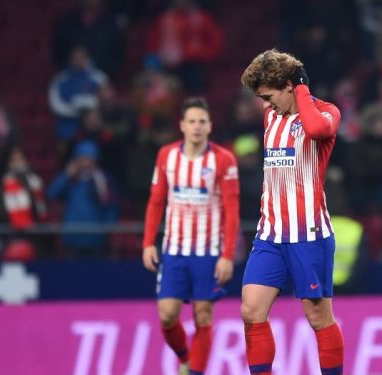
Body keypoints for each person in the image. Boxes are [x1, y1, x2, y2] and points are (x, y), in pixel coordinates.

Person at [239, 49, 344, 375]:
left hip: (308, 234)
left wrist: (301, 88)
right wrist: (283, 96)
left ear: (289, 85)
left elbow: (314, 130)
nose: (265, 105)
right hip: (270, 233)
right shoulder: (271, 116)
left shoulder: (326, 113)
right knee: (251, 311)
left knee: (318, 317)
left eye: (268, 96)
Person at [141, 97, 240, 375]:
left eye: (202, 122)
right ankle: (185, 357)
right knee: (167, 315)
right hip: (174, 250)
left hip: (208, 252)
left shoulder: (223, 160)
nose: (197, 127)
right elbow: (156, 201)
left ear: (210, 126)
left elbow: (231, 211)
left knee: (203, 315)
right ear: (182, 126)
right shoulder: (167, 157)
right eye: (192, 121)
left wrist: (227, 255)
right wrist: (148, 242)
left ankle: (195, 371)